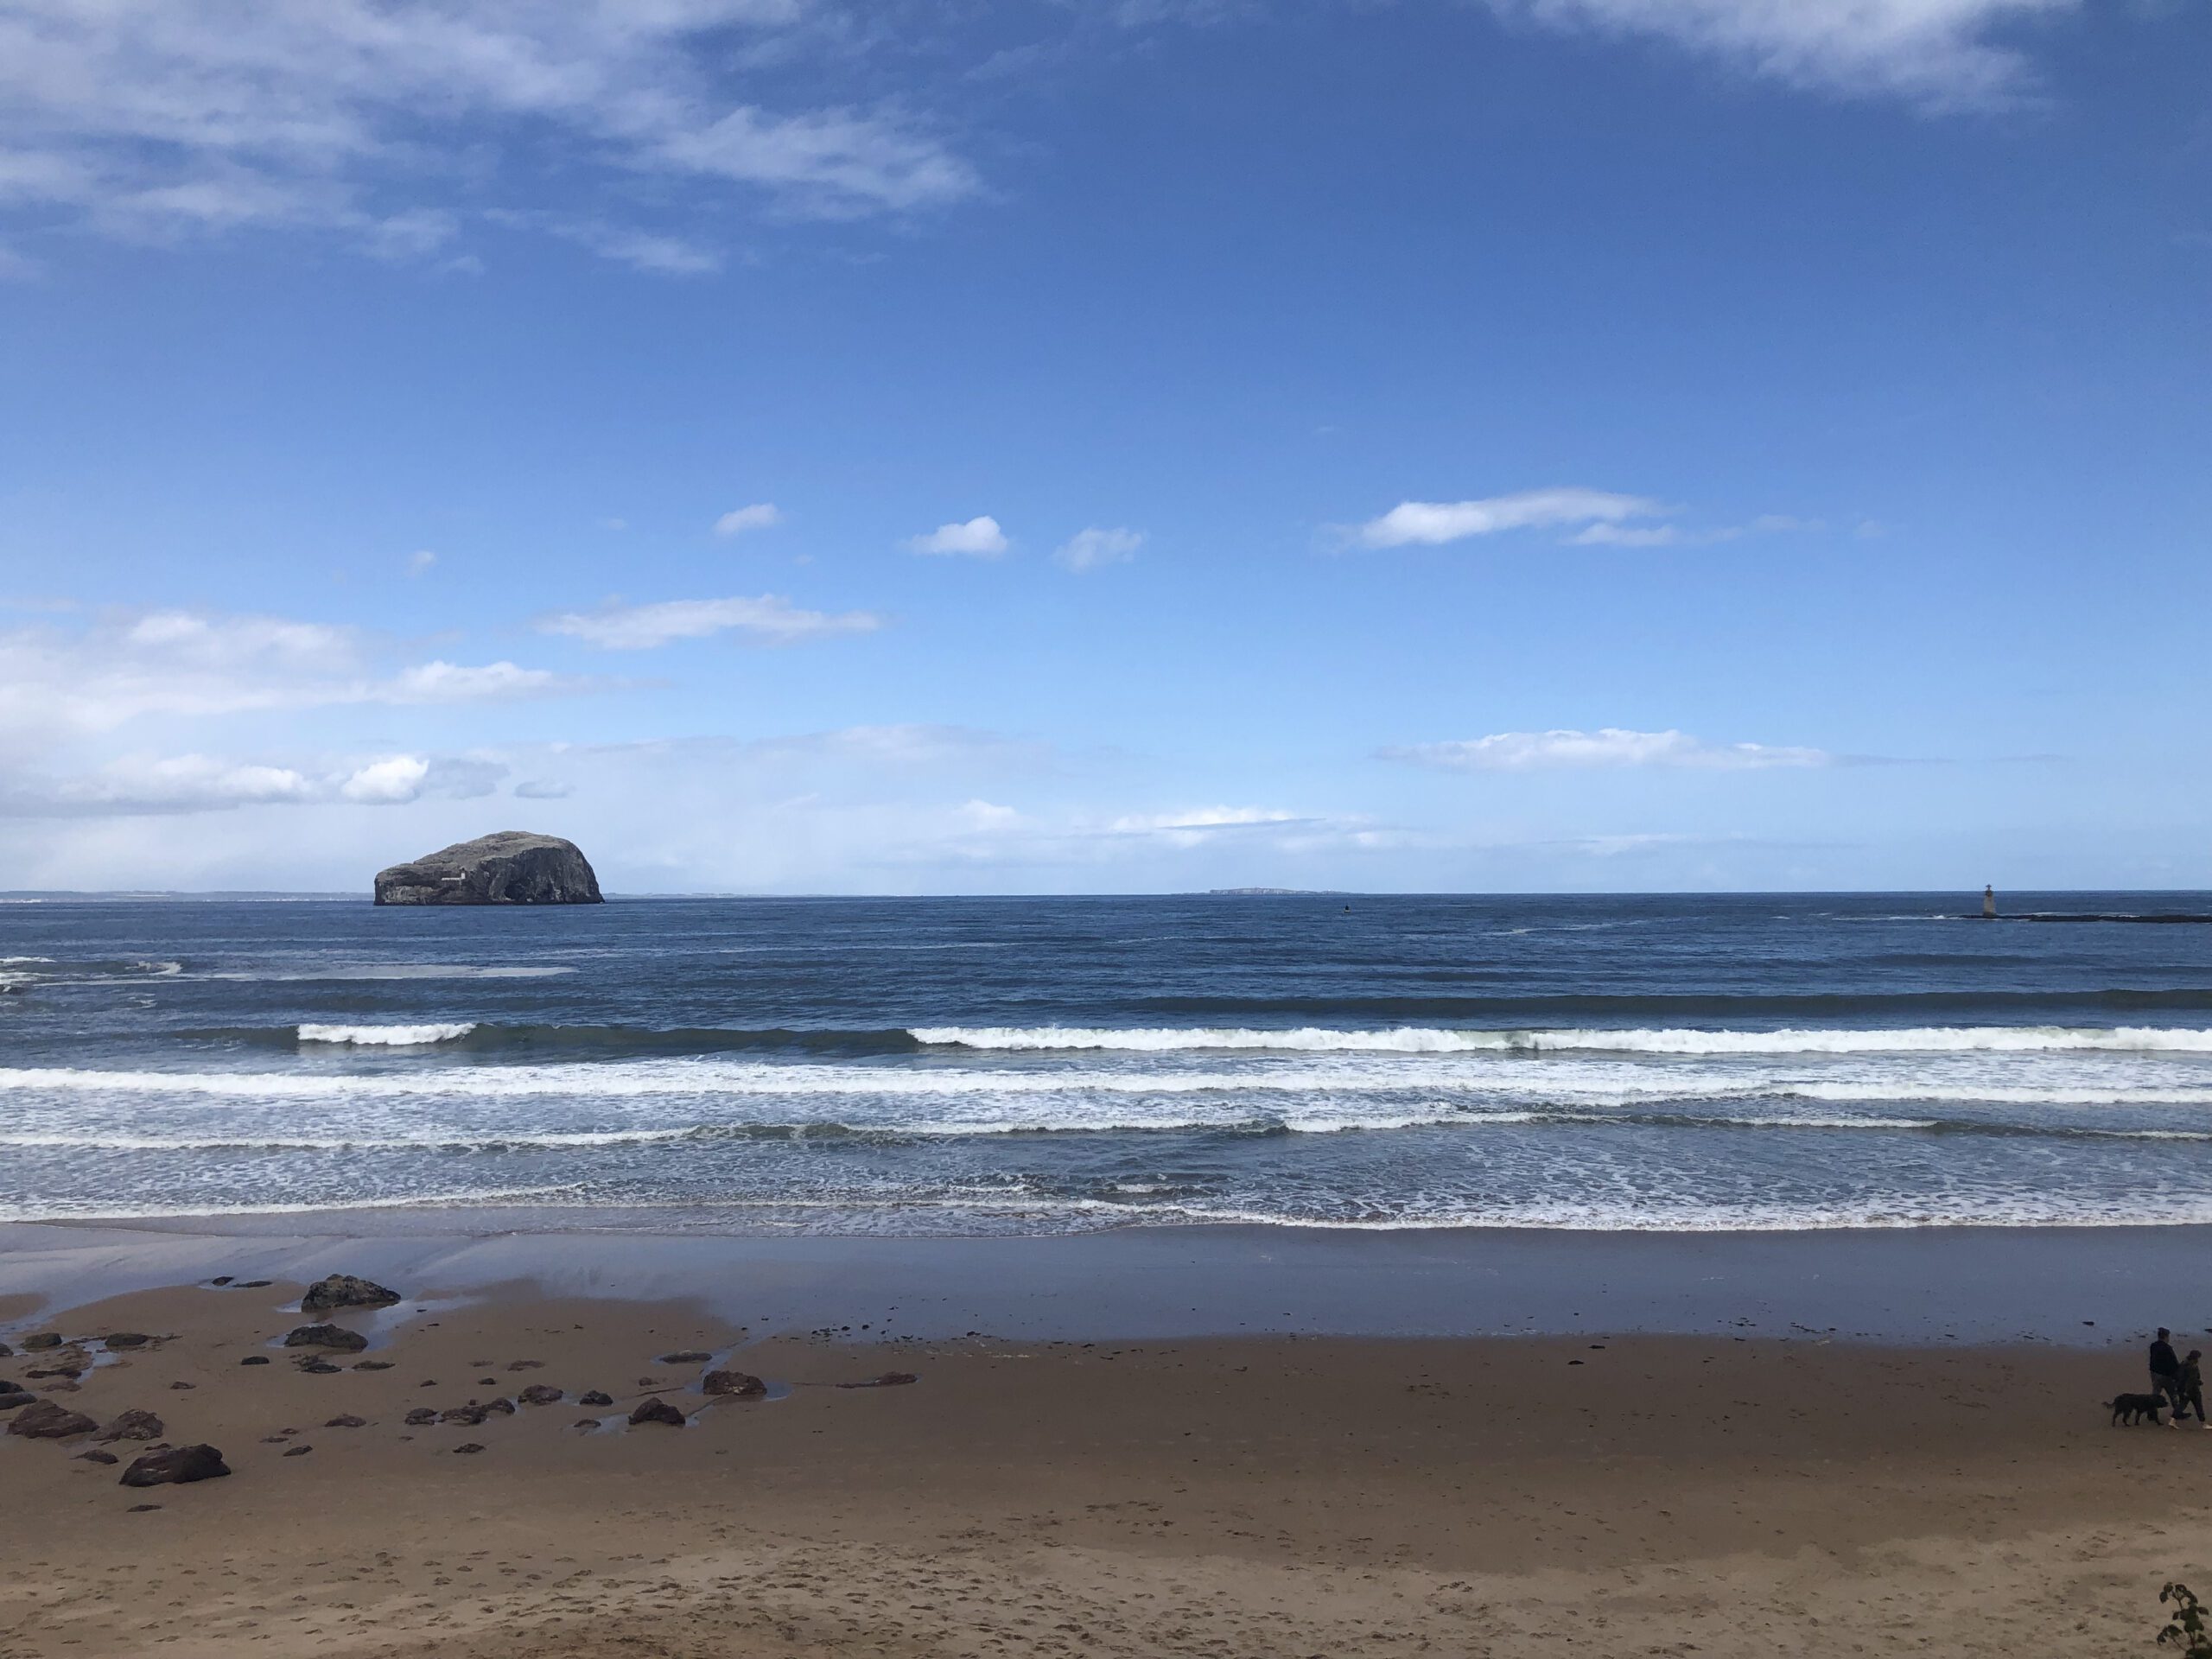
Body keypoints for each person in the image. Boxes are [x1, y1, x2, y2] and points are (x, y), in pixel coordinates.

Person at [2152, 1328, 2184, 1427]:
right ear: (2166, 1337)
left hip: (2155, 1373)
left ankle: (2151, 1412)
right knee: (2173, 1395)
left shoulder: (2153, 1346)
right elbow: (2173, 1363)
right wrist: (2177, 1374)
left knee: (2155, 1394)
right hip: (2166, 1375)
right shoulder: (2168, 1348)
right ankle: (2177, 1413)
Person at [2183, 1351, 2208, 1429]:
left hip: (2186, 1388)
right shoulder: (2193, 1367)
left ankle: (2173, 1419)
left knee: (2182, 1405)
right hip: (2193, 1389)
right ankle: (2203, 1423)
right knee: (2198, 1406)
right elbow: (2192, 1380)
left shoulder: (2184, 1363)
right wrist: (2198, 1382)